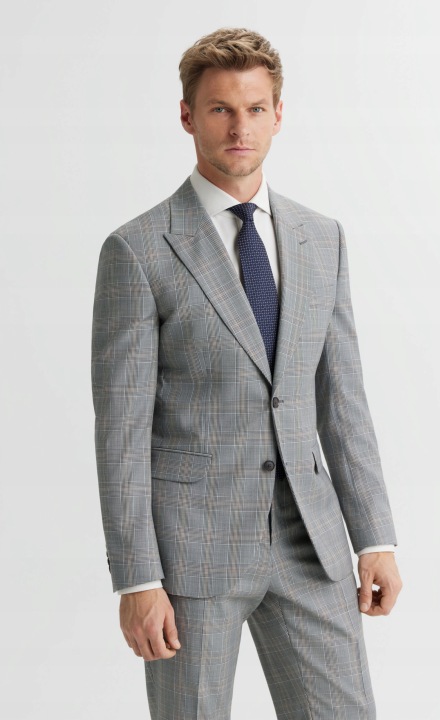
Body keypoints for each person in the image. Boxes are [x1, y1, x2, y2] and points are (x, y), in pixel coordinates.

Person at [91, 27, 402, 720]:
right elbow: (120, 432)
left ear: (278, 114)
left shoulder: (321, 239)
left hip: (310, 541)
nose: (240, 127)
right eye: (220, 109)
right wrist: (136, 577)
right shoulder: (138, 251)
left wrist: (375, 537)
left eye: (255, 108)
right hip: (190, 552)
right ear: (187, 116)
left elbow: (343, 401)